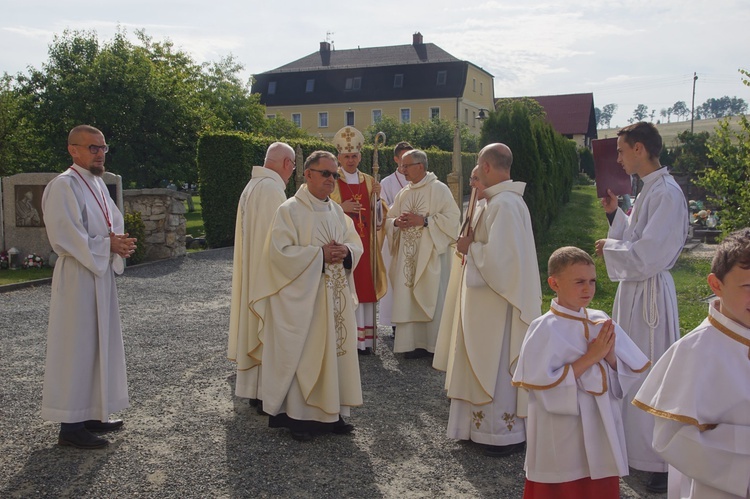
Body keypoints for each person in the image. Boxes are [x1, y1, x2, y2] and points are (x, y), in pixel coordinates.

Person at [594, 121, 688, 493]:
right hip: (635, 290)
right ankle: (636, 451)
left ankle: (659, 462)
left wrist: (612, 247)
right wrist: (616, 216)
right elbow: (638, 234)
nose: (617, 157)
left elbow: (651, 252)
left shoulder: (666, 192)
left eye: (620, 150)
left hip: (649, 294)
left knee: (649, 368)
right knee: (632, 368)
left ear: (638, 148)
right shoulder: (650, 188)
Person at [513, 246, 650, 498]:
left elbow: (627, 376)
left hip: (601, 424)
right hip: (562, 428)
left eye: (592, 281)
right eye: (579, 282)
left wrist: (609, 357)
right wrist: (591, 357)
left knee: (600, 481)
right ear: (554, 283)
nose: (588, 289)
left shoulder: (601, 319)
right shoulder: (543, 328)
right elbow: (541, 387)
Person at [250, 150, 364, 442]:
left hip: (334, 298)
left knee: (335, 353)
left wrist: (347, 253)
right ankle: (298, 417)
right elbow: (279, 255)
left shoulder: (337, 210)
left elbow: (354, 242)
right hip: (303, 303)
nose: (331, 180)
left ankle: (333, 413)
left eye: (334, 174)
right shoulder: (289, 210)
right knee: (305, 354)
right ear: (308, 174)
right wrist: (319, 256)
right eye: (325, 173)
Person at [439, 143, 541, 456]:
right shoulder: (496, 202)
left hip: (499, 307)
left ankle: (499, 434)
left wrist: (472, 249)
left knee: (494, 366)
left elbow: (503, 263)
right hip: (488, 303)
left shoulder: (506, 205)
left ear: (485, 166)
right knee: (482, 361)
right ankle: (477, 428)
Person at [633, 228, 750, 499]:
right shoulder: (696, 350)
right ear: (715, 284)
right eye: (748, 287)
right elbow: (670, 439)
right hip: (724, 488)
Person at [41, 125, 137, 449]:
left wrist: (117, 243)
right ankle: (70, 425)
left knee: (100, 344)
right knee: (77, 348)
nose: (100, 154)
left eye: (103, 147)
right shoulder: (64, 186)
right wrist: (106, 245)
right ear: (74, 150)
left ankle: (93, 412)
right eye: (93, 148)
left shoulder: (96, 184)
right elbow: (66, 236)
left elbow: (112, 222)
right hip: (78, 277)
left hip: (99, 275)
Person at [227, 142, 295, 406]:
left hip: (252, 273)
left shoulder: (252, 186)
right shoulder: (271, 190)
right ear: (287, 164)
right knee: (267, 330)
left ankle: (256, 389)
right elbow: (277, 243)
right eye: (292, 167)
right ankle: (265, 391)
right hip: (266, 279)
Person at [385, 148, 460, 358]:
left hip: (430, 256)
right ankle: (410, 344)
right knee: (407, 297)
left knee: (432, 295)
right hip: (408, 258)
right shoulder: (404, 193)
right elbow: (389, 220)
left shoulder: (439, 189)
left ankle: (433, 345)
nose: (402, 170)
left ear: (420, 166)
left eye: (406, 166)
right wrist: (396, 223)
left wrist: (424, 221)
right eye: (401, 166)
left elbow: (453, 219)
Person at [330, 126, 387, 355]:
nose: (350, 160)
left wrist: (377, 200)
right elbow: (323, 209)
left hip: (366, 244)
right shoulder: (332, 181)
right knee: (347, 288)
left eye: (354, 156)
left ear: (360, 156)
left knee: (365, 287)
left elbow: (380, 215)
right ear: (339, 158)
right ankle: (349, 340)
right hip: (345, 244)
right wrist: (341, 208)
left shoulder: (369, 180)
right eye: (346, 156)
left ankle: (365, 342)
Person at [378, 141, 413, 334]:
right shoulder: (387, 183)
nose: (407, 163)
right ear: (396, 159)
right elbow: (383, 212)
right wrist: (397, 214)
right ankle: (394, 323)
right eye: (404, 158)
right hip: (395, 237)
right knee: (395, 279)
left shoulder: (420, 179)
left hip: (415, 236)